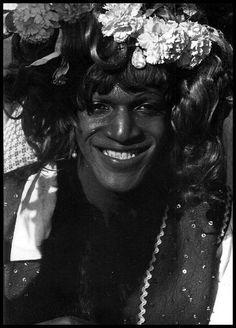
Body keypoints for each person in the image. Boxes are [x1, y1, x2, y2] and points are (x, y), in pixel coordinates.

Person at [3, 3, 233, 325]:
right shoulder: (10, 205)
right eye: (98, 106)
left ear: (176, 113)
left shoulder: (213, 224)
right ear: (69, 115)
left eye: (146, 107)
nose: (122, 132)